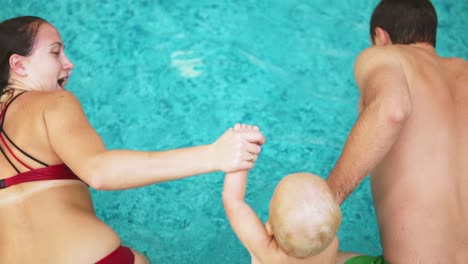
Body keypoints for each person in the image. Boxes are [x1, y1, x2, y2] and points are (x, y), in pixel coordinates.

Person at [0, 16, 265, 264]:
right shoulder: (52, 103)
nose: (69, 63)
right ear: (19, 65)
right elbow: (99, 171)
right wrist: (214, 155)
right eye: (55, 52)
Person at [323, 0, 468, 263]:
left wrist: (325, 201)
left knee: (281, 256)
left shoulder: (385, 56)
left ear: (380, 36)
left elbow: (391, 110)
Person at [223, 125, 341, 264]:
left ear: (270, 228)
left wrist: (245, 152)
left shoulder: (267, 252)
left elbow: (233, 201)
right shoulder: (332, 245)